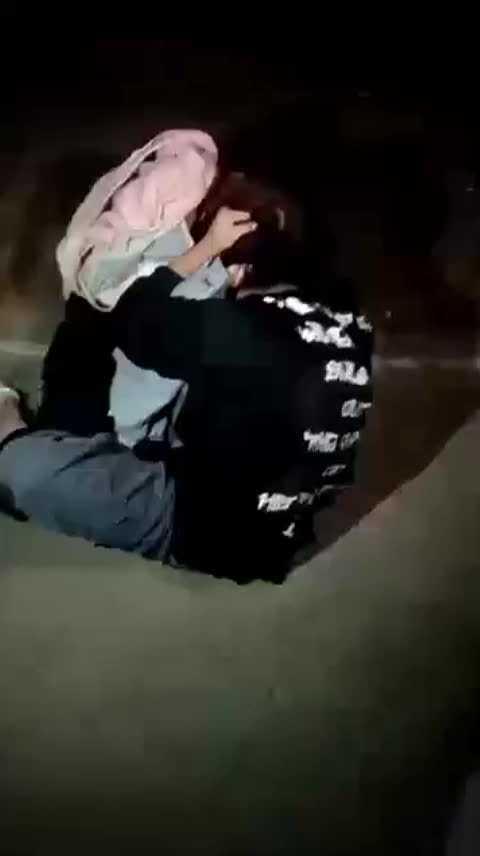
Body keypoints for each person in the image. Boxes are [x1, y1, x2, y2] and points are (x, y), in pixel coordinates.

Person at [32, 182, 373, 583]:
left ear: (240, 270)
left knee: (23, 466)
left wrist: (206, 248)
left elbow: (131, 315)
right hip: (283, 535)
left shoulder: (239, 329)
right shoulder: (352, 328)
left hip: (206, 538)